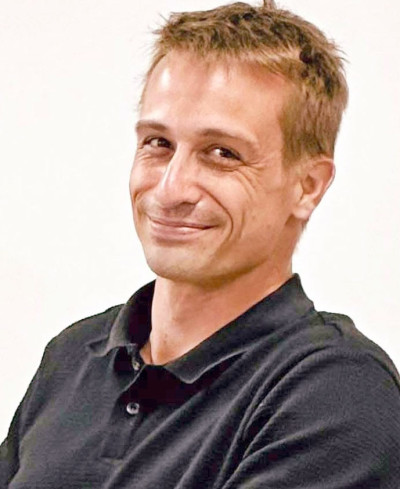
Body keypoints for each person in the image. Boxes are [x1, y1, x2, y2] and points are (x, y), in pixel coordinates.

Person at [1, 1, 399, 487]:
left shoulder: (335, 392)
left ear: (308, 186)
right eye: (158, 143)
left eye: (222, 153)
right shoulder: (71, 358)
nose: (170, 189)